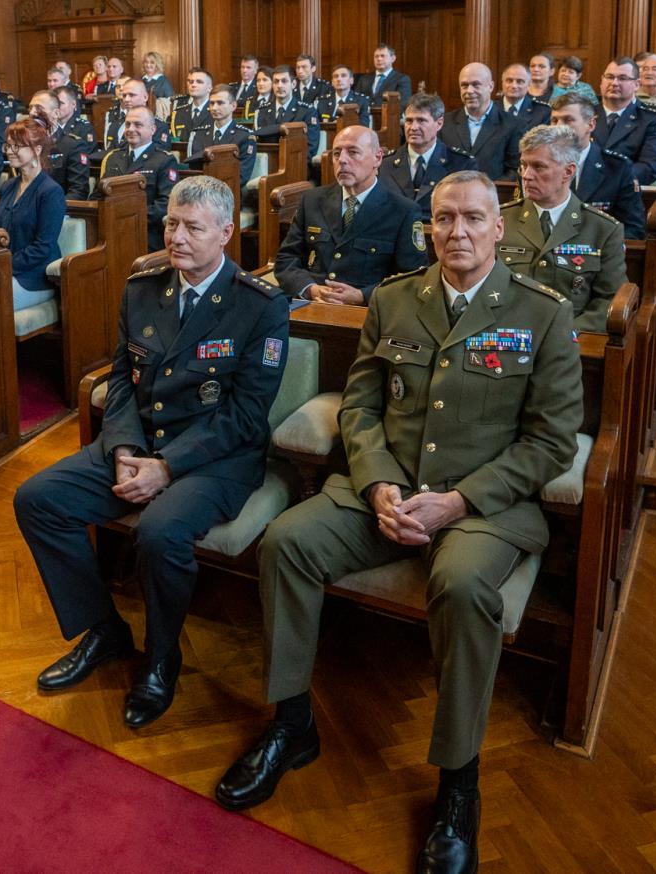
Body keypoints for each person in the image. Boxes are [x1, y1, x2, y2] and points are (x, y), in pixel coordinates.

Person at [216, 170, 582, 874]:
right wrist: (379, 480)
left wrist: (458, 501)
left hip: (482, 507)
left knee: (464, 586)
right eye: (443, 218)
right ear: (428, 227)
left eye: (472, 218)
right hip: (383, 492)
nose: (457, 231)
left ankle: (458, 783)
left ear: (499, 226)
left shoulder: (541, 312)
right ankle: (291, 724)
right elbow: (360, 407)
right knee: (287, 542)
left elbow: (550, 442)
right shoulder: (393, 298)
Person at [15, 174, 289, 730]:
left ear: (226, 233)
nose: (177, 237)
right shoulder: (143, 287)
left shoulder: (259, 306)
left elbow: (245, 415)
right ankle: (104, 630)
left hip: (215, 459)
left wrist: (166, 467)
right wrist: (124, 448)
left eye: (193, 228)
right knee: (38, 498)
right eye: (171, 224)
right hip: (139, 441)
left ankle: (162, 658)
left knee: (161, 532)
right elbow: (121, 379)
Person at [274, 125, 426, 304]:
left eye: (353, 152)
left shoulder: (403, 211)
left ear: (377, 158)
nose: (342, 160)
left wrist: (363, 296)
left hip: (368, 311)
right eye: (337, 153)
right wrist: (311, 289)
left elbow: (414, 278)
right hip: (313, 305)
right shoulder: (312, 200)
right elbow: (286, 259)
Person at [497, 124, 628, 333]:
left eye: (538, 167)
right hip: (505, 337)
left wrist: (564, 335)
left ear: (568, 172)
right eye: (523, 165)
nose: (526, 175)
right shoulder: (499, 220)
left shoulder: (603, 229)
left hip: (570, 341)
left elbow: (610, 300)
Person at [0, 118, 67, 312]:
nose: (10, 151)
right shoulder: (8, 186)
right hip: (4, 268)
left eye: (17, 146)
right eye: (8, 146)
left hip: (36, 275)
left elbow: (43, 247)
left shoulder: (50, 191)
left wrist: (3, 265)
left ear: (37, 149)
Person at [551, 96, 646, 240]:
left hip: (598, 250)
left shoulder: (617, 167)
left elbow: (633, 229)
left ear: (591, 125)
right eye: (554, 120)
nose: (558, 127)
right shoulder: (538, 165)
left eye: (568, 120)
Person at [97, 107, 178, 251]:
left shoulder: (164, 160)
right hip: (111, 231)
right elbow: (98, 195)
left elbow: (166, 203)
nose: (130, 129)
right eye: (127, 124)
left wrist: (129, 217)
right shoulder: (113, 158)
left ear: (152, 129)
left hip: (146, 234)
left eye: (138, 125)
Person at [377, 93, 471, 207]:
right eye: (409, 121)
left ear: (439, 123)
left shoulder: (460, 165)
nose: (413, 127)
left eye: (421, 120)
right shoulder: (385, 164)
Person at [596, 56, 656, 186]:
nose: (614, 83)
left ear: (637, 84)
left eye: (622, 78)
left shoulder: (651, 118)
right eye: (610, 77)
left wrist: (609, 179)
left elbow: (650, 167)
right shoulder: (585, 114)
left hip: (625, 190)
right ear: (602, 81)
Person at [442, 63, 522, 180]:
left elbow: (514, 170)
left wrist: (488, 188)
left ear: (491, 86)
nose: (469, 91)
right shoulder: (445, 122)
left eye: (476, 85)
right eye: (464, 85)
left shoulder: (513, 124)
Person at [183, 87, 257, 189]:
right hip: (199, 191)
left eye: (220, 103)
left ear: (233, 106)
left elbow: (241, 177)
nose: (214, 108)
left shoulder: (244, 136)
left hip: (228, 192)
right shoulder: (198, 134)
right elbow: (192, 170)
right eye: (212, 103)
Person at [252, 66, 319, 169]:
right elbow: (258, 143)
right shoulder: (262, 111)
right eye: (276, 82)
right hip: (266, 166)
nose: (279, 85)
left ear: (293, 84)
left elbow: (311, 147)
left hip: (295, 166)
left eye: (284, 81)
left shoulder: (306, 111)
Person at [37, 90, 93, 199]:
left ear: (56, 113)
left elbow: (78, 190)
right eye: (31, 108)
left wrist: (55, 206)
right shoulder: (27, 142)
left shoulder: (72, 144)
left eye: (39, 108)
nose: (33, 113)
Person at [168, 68, 214, 147]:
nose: (193, 85)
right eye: (190, 82)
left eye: (199, 82)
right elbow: (174, 142)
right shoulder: (178, 113)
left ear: (209, 88)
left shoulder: (216, 111)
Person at [499, 64, 550, 129]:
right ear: (502, 83)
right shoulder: (490, 108)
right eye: (509, 81)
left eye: (520, 81)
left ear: (529, 85)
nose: (514, 86)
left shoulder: (542, 113)